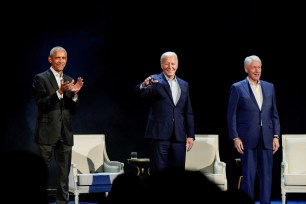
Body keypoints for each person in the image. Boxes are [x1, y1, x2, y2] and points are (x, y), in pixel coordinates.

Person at [32, 46, 84, 204]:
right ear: (50, 59)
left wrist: (75, 95)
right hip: (46, 133)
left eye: (63, 58)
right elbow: (41, 105)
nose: (61, 61)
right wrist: (59, 92)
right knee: (42, 173)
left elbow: (72, 110)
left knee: (63, 175)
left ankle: (63, 202)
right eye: (57, 58)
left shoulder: (68, 78)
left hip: (65, 133)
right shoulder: (40, 78)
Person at [227, 55, 281, 204]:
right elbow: (231, 115)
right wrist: (235, 137)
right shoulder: (237, 88)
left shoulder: (269, 87)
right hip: (246, 139)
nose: (257, 70)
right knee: (248, 177)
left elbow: (274, 114)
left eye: (259, 67)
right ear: (246, 69)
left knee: (267, 176)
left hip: (267, 138)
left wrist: (276, 136)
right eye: (254, 67)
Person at [135, 51, 195, 174]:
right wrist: (144, 85)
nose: (170, 66)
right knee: (158, 173)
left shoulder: (184, 84)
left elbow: (188, 111)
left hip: (178, 136)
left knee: (178, 173)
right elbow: (140, 94)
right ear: (162, 65)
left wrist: (190, 135)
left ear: (177, 65)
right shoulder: (155, 80)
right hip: (159, 135)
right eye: (167, 64)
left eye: (173, 63)